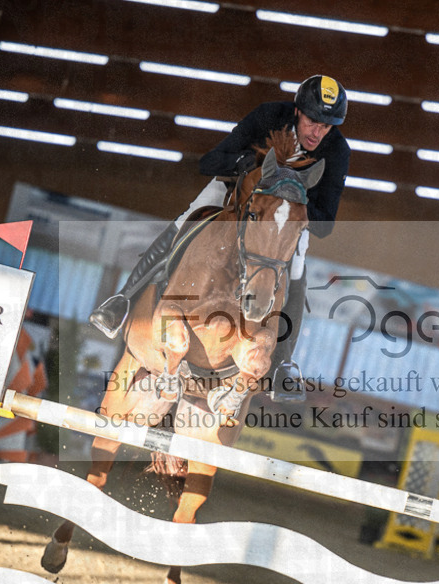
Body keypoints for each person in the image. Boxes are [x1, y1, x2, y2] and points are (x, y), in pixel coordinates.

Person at [89, 74, 350, 397]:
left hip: (283, 220)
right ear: (297, 110)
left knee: (297, 265)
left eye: (326, 127)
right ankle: (121, 302)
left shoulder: (337, 150)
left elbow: (326, 223)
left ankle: (282, 362)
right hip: (234, 194)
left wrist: (290, 204)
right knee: (187, 216)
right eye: (313, 122)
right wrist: (248, 165)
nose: (318, 132)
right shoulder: (269, 116)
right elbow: (210, 161)